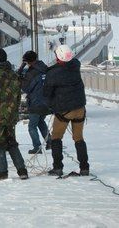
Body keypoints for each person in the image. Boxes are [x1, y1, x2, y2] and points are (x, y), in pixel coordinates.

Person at [0, 48, 29, 181]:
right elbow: (18, 96)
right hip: (10, 116)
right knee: (12, 143)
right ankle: (22, 170)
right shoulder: (13, 75)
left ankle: (3, 172)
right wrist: (14, 112)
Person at [44, 45, 90, 177]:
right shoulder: (76, 66)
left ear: (58, 57)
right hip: (80, 108)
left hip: (63, 111)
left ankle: (58, 167)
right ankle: (84, 168)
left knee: (56, 138)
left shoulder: (52, 73)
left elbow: (46, 93)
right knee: (79, 138)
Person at [18, 51, 50, 154]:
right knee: (41, 122)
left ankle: (37, 147)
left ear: (28, 61)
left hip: (35, 102)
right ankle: (50, 141)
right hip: (46, 101)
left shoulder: (31, 72)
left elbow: (26, 88)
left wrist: (20, 78)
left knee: (32, 126)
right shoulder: (44, 68)